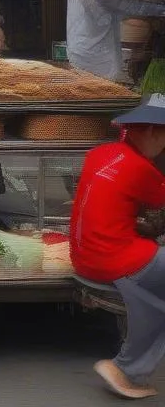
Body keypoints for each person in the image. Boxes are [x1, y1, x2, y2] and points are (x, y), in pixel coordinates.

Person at [71, 95, 165, 399]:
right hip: (115, 258)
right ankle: (126, 368)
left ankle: (133, 362)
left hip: (84, 255)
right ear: (151, 131)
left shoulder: (100, 153)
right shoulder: (141, 168)